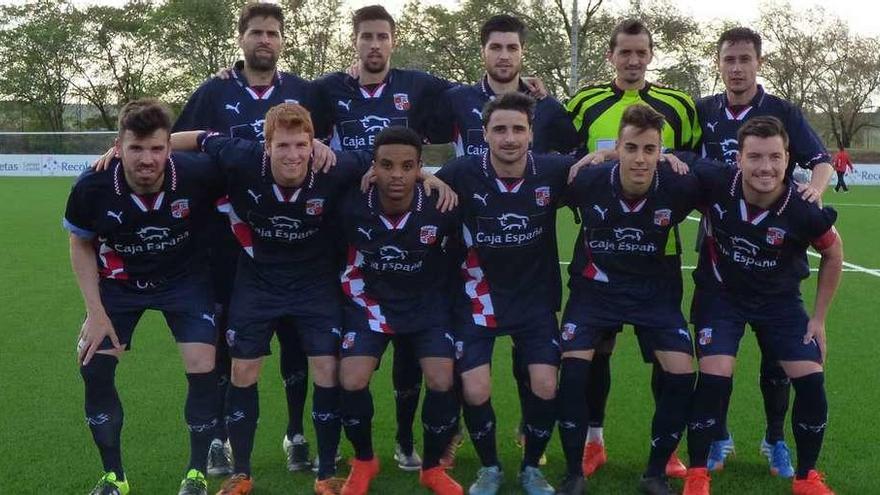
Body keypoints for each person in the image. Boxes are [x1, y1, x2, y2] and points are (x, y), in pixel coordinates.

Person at [173, 2, 334, 474]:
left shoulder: (305, 91)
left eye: (273, 33)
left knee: (296, 343)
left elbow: (331, 141)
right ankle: (223, 436)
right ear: (241, 37)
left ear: (283, 40)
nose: (265, 40)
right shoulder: (215, 90)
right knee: (233, 341)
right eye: (256, 32)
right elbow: (182, 141)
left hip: (296, 238)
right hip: (226, 239)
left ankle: (295, 433)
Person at [312, 5, 456, 471]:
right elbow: (286, 123)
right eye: (366, 36)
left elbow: (474, 101)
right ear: (353, 40)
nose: (374, 44)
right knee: (339, 348)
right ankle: (331, 443)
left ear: (393, 40)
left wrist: (428, 175)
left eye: (382, 36)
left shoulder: (419, 85)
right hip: (347, 226)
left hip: (406, 212)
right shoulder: (327, 89)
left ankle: (404, 439)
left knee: (412, 348)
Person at [695, 27, 835, 476]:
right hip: (721, 238)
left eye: (744, 60)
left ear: (758, 63)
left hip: (777, 248)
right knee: (717, 358)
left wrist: (811, 192)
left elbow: (820, 160)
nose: (736, 68)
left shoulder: (782, 111)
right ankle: (717, 437)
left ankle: (776, 438)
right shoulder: (704, 110)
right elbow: (674, 152)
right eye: (728, 60)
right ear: (719, 64)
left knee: (779, 362)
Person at [66, 99, 224, 495]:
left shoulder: (196, 174)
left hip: (185, 281)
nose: (147, 159)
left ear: (170, 147)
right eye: (136, 148)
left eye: (157, 148)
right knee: (93, 366)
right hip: (120, 284)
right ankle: (114, 477)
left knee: (203, 362)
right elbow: (80, 243)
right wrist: (94, 312)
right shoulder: (92, 186)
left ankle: (195, 474)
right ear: (118, 148)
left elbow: (239, 154)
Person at [563, 18, 698, 479]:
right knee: (595, 353)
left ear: (651, 54)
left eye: (641, 52)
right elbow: (561, 155)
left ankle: (670, 451)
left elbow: (698, 162)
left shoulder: (678, 106)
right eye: (625, 52)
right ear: (611, 56)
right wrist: (597, 156)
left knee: (666, 355)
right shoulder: (584, 103)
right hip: (600, 250)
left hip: (659, 253)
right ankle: (592, 442)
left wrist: (678, 160)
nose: (634, 60)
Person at [435, 92, 589, 495]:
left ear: (531, 133)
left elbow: (594, 170)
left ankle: (529, 468)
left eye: (518, 129)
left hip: (534, 298)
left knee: (545, 384)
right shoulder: (463, 171)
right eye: (500, 129)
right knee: (476, 388)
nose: (509, 138)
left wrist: (611, 157)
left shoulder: (552, 170)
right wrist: (420, 175)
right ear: (484, 134)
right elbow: (423, 182)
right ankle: (489, 468)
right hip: (477, 297)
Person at [682, 116, 842, 495]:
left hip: (779, 302)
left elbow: (834, 253)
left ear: (788, 159)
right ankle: (697, 473)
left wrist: (818, 319)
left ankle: (806, 478)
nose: (765, 167)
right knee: (714, 376)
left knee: (811, 379)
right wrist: (599, 159)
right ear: (738, 158)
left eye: (775, 157)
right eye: (754, 157)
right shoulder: (717, 180)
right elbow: (663, 153)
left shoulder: (803, 207)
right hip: (721, 297)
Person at [335, 126, 463, 495]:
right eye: (387, 165)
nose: (397, 175)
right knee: (353, 378)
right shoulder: (351, 204)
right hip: (369, 300)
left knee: (441, 378)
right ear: (372, 167)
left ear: (420, 168)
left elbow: (459, 255)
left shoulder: (441, 205)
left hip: (426, 304)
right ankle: (364, 460)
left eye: (408, 166)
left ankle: (433, 467)